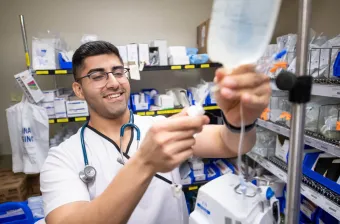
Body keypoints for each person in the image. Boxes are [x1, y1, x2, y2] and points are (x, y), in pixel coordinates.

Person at [40, 40, 271, 224]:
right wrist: (144, 162)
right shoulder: (62, 158)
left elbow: (229, 143)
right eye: (98, 76)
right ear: (78, 90)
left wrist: (240, 122)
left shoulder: (159, 127)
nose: (113, 83)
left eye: (118, 72)